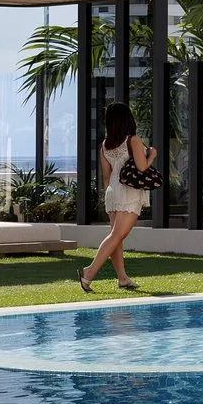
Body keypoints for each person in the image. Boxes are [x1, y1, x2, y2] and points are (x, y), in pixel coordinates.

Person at [80, 104, 154, 292]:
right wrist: (152, 155)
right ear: (127, 118)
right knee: (117, 236)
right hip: (128, 191)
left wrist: (110, 194)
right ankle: (89, 273)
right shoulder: (133, 140)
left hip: (112, 190)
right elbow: (143, 167)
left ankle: (123, 278)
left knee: (116, 237)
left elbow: (106, 175)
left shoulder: (105, 145)